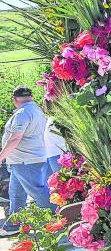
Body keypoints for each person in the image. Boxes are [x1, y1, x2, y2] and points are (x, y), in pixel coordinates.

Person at [0, 87, 56, 236]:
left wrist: (0, 156)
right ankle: (13, 224)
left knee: (38, 192)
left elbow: (15, 138)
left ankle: (58, 221)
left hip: (26, 161)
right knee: (16, 194)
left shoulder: (23, 113)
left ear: (15, 99)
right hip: (25, 160)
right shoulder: (37, 110)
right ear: (31, 97)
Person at [43, 116, 66, 180]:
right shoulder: (51, 118)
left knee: (62, 181)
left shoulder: (56, 118)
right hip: (53, 154)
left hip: (59, 154)